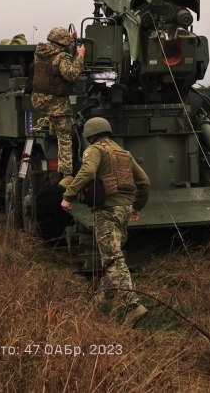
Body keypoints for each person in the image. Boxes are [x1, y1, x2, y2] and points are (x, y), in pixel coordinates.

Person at [61, 117, 150, 328]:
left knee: (113, 259)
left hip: (107, 210)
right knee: (111, 254)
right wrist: (137, 206)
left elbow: (88, 171)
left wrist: (69, 195)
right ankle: (103, 297)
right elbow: (144, 181)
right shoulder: (124, 153)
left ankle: (133, 306)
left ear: (90, 136)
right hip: (124, 210)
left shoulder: (95, 151)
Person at [31, 27, 85, 189]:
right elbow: (71, 74)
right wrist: (80, 56)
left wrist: (67, 39)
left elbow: (56, 47)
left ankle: (52, 123)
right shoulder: (61, 57)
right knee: (65, 136)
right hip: (56, 101)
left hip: (39, 99)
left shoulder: (40, 52)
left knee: (55, 118)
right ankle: (67, 174)